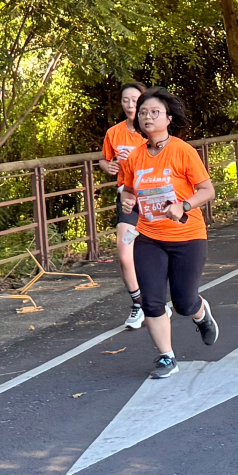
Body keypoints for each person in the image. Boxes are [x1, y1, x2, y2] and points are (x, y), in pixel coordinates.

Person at [117, 88, 220, 379]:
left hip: (187, 235)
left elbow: (207, 191)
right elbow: (129, 190)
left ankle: (201, 313)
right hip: (149, 237)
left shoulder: (182, 151)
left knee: (184, 302)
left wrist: (183, 205)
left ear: (168, 118)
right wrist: (128, 201)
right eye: (143, 112)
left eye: (154, 112)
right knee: (151, 300)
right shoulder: (135, 157)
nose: (147, 117)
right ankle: (167, 357)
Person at [100, 82, 148, 330]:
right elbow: (105, 159)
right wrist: (107, 166)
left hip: (153, 199)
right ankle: (138, 303)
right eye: (125, 100)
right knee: (124, 252)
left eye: (135, 100)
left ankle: (155, 301)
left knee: (153, 254)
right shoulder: (114, 133)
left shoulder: (152, 130)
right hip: (128, 198)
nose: (130, 105)